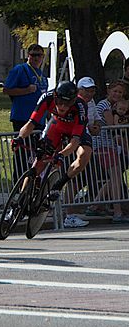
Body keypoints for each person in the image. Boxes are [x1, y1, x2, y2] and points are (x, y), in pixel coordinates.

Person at [11, 82, 93, 224]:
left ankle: (60, 184)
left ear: (73, 101)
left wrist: (61, 154)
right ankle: (20, 201)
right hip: (56, 128)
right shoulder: (46, 97)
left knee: (84, 155)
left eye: (66, 104)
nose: (62, 107)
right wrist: (19, 138)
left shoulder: (80, 107)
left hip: (75, 132)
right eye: (60, 103)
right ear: (55, 97)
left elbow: (74, 141)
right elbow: (31, 123)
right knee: (38, 165)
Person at [3, 44, 49, 180]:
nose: (36, 58)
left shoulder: (42, 75)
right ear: (28, 55)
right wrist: (26, 90)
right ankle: (18, 182)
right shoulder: (20, 69)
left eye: (39, 55)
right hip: (23, 118)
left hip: (39, 119)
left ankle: (30, 183)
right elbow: (6, 90)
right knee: (22, 153)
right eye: (33, 55)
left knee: (35, 154)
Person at [59, 77, 100, 227]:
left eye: (92, 90)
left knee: (80, 181)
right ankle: (67, 215)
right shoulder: (72, 103)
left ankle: (67, 213)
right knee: (73, 181)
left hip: (84, 145)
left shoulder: (91, 103)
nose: (90, 93)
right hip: (71, 144)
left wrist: (96, 127)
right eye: (86, 90)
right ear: (79, 90)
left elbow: (94, 122)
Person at [90, 80, 129, 223]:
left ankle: (95, 206)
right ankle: (118, 213)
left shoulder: (114, 107)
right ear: (108, 91)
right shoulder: (105, 106)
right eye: (115, 91)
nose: (117, 94)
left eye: (120, 92)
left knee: (114, 178)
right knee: (116, 177)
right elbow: (112, 127)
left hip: (109, 146)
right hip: (103, 146)